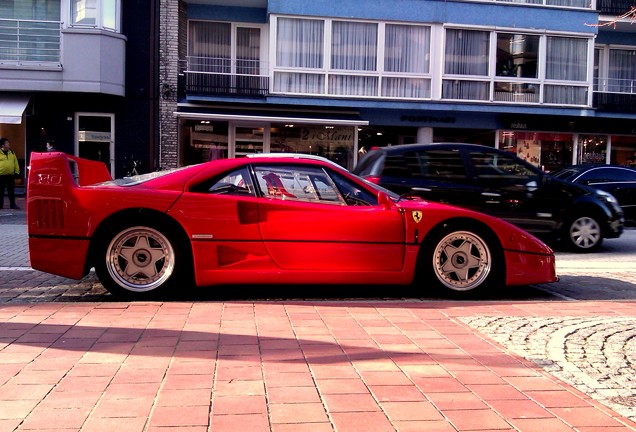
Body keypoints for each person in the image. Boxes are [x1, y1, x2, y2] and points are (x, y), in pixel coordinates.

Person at [0, 137, 20, 209]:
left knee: (11, 191)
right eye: (7, 143)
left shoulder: (11, 152)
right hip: (1, 176)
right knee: (0, 191)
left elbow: (15, 162)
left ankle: (13, 204)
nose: (8, 144)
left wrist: (17, 172)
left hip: (10, 175)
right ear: (3, 145)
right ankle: (0, 205)